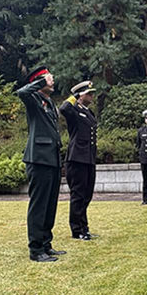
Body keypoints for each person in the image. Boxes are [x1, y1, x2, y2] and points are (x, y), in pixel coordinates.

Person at [16, 66, 67, 263]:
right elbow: (21, 92)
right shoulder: (34, 99)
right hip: (38, 159)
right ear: (39, 81)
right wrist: (40, 82)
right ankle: (36, 249)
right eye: (49, 78)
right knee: (39, 205)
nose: (52, 81)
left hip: (52, 158)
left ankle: (46, 244)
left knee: (50, 204)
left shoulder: (49, 102)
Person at [59, 80, 99, 240]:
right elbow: (63, 108)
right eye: (89, 93)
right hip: (76, 159)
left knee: (87, 195)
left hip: (89, 158)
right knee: (78, 195)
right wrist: (74, 96)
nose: (92, 96)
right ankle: (77, 230)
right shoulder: (73, 111)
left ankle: (84, 227)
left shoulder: (89, 113)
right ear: (81, 95)